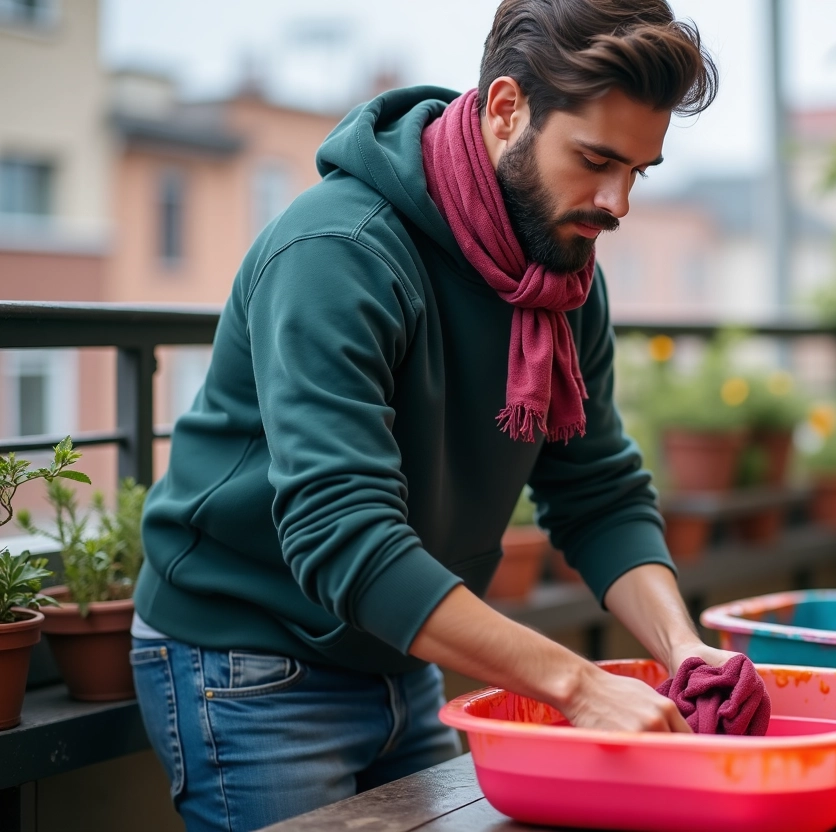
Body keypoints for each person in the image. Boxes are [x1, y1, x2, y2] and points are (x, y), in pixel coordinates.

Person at [130, 1, 731, 830]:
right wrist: (581, 684)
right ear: (507, 110)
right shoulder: (339, 253)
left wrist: (684, 650)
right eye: (595, 158)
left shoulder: (559, 270)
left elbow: (596, 491)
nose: (616, 201)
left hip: (403, 647)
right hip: (249, 661)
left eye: (639, 169)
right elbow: (344, 537)